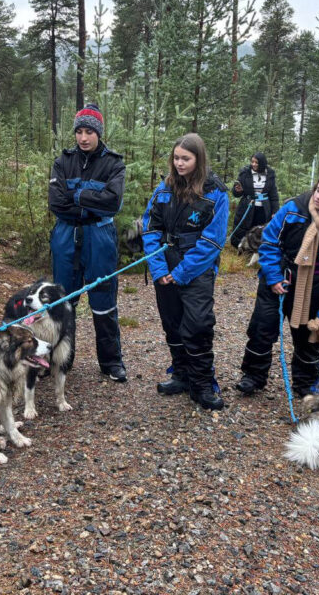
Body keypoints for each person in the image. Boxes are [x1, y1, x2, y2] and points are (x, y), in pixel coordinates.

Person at [235, 172, 319, 397]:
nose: (318, 196)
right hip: (279, 276)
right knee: (262, 329)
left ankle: (305, 385)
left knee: (308, 338)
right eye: (317, 190)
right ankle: (253, 376)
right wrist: (273, 276)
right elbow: (269, 241)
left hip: (315, 287)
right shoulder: (294, 209)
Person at [141, 133, 230, 411]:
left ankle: (203, 383)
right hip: (164, 261)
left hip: (196, 267)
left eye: (186, 159)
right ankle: (180, 374)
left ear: (198, 159)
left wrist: (180, 273)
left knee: (199, 324)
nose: (179, 163)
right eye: (176, 158)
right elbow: (150, 227)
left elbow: (213, 241)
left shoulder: (215, 192)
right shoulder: (163, 189)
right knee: (172, 323)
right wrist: (159, 269)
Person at [49, 104, 128, 382]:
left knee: (104, 299)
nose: (83, 138)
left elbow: (113, 202)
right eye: (79, 131)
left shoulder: (114, 163)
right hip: (66, 237)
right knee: (62, 301)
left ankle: (111, 362)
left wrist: (78, 196)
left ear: (99, 133)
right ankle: (59, 360)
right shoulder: (63, 161)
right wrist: (91, 199)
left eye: (89, 132)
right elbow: (56, 203)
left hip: (99, 238)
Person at [229, 152, 279, 248]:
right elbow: (236, 193)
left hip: (263, 209)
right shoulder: (245, 173)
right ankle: (240, 248)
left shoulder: (270, 174)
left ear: (262, 163)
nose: (254, 164)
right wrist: (237, 190)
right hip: (247, 206)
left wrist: (275, 211)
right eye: (252, 162)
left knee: (259, 231)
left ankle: (255, 250)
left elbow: (274, 196)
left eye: (257, 162)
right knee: (244, 227)